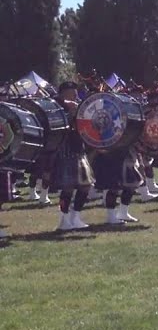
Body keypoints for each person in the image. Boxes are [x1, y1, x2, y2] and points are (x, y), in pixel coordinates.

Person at [52, 82, 92, 231]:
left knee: (86, 185)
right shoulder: (55, 106)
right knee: (67, 188)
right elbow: (56, 125)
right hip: (65, 150)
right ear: (64, 93)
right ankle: (64, 220)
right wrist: (70, 113)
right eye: (72, 93)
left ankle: (75, 217)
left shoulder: (78, 106)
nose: (75, 96)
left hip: (79, 149)